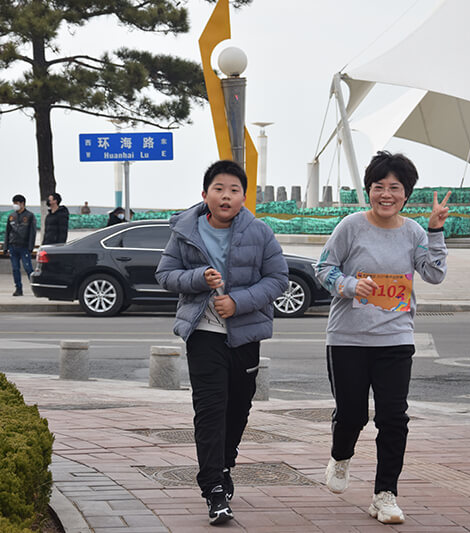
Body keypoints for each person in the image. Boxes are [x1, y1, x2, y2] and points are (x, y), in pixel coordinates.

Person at [314, 151, 449, 525]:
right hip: (348, 339)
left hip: (396, 336)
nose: (386, 194)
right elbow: (322, 268)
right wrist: (350, 285)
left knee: (394, 418)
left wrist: (435, 230)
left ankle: (385, 494)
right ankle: (341, 457)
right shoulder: (351, 226)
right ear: (368, 190)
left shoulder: (414, 232)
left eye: (395, 188)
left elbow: (434, 274)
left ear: (406, 194)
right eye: (379, 187)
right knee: (352, 414)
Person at [155, 160, 288, 525]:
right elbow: (165, 275)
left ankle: (225, 464)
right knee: (210, 410)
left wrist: (238, 302)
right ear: (205, 194)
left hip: (244, 336)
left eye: (233, 190)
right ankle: (213, 487)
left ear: (243, 196)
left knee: (238, 408)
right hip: (203, 335)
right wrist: (198, 277)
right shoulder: (185, 231)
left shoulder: (260, 232)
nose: (225, 196)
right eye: (218, 189)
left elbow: (278, 279)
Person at [3, 194, 36, 296]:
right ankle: (18, 288)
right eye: (14, 203)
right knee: (15, 269)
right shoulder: (12, 216)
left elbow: (32, 233)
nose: (15, 205)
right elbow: (7, 232)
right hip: (13, 246)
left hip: (24, 247)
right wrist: (5, 247)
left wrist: (31, 247)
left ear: (22, 204)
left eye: (16, 203)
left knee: (28, 268)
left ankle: (36, 288)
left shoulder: (30, 216)